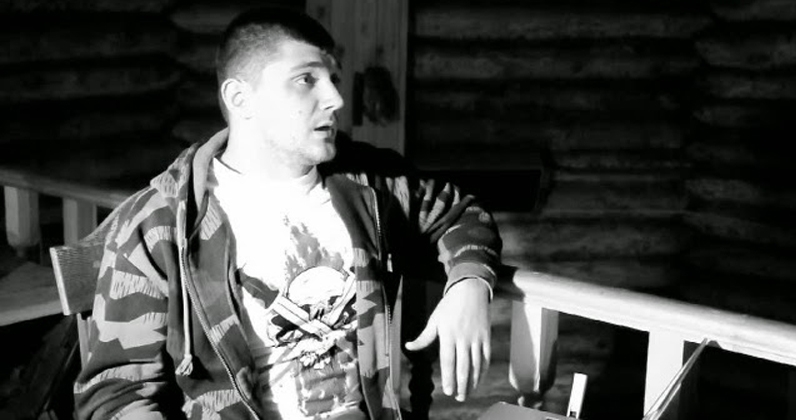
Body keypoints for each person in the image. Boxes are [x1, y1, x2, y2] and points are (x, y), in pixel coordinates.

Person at [74, 7, 501, 420]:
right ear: (240, 98)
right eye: (306, 79)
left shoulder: (368, 183)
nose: (335, 98)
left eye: (333, 78)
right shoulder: (166, 222)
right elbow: (116, 395)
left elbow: (460, 214)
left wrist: (470, 284)